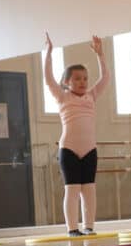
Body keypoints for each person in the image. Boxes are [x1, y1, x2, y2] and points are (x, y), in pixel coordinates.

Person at [43, 32, 109, 235]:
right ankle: (72, 228)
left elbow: (105, 78)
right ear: (66, 82)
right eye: (77, 79)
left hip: (89, 149)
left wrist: (100, 55)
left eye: (85, 78)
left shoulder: (92, 95)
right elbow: (48, 79)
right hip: (69, 149)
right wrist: (48, 53)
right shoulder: (62, 96)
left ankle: (89, 227)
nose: (83, 82)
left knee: (89, 189)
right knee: (71, 189)